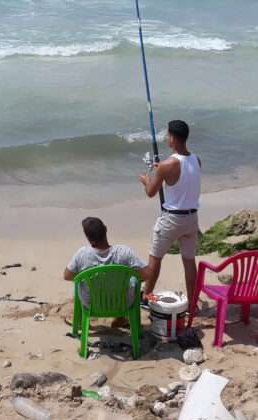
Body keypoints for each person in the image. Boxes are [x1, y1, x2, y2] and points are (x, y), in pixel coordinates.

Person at [138, 119, 201, 307]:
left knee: (155, 259)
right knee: (189, 262)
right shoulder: (197, 160)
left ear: (172, 138)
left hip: (172, 219)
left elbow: (150, 192)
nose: (167, 138)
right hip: (192, 218)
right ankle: (192, 304)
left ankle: (145, 297)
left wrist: (147, 179)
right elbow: (183, 177)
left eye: (167, 135)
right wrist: (162, 171)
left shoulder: (167, 165)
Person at [63, 216, 151, 328]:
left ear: (88, 238)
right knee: (131, 279)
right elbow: (147, 274)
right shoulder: (124, 252)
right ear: (106, 229)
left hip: (92, 304)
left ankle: (79, 319)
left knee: (77, 282)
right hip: (122, 303)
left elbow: (67, 276)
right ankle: (120, 319)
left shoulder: (82, 254)